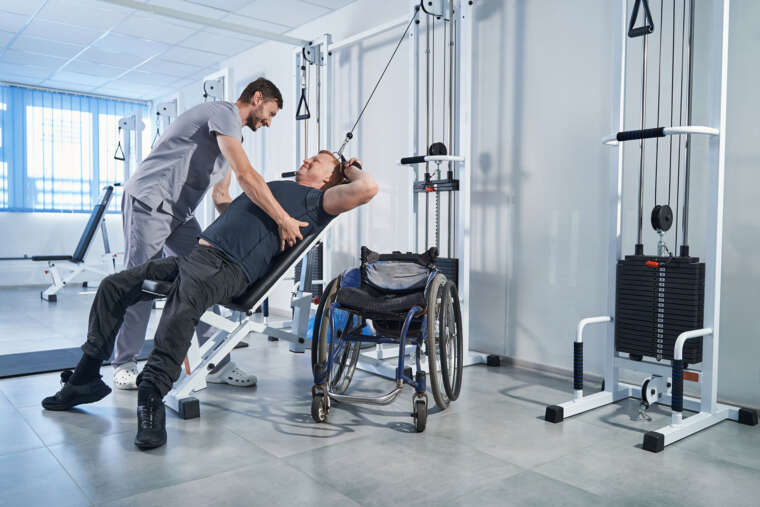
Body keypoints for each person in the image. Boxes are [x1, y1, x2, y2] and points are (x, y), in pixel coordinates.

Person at [42, 152, 378, 450]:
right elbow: (223, 200)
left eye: (315, 161)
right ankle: (85, 377)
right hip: (195, 258)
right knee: (115, 286)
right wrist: (227, 161)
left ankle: (152, 395)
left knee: (182, 303)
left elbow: (367, 189)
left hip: (228, 267)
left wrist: (352, 169)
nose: (305, 161)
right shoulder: (274, 191)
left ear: (329, 178)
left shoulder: (318, 201)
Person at [112, 77, 306, 390]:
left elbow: (221, 196)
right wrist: (282, 218)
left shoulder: (231, 137)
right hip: (150, 201)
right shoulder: (224, 113)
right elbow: (246, 176)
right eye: (271, 113)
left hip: (180, 213)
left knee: (203, 279)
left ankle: (216, 363)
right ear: (257, 98)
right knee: (141, 283)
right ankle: (124, 363)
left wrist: (250, 233)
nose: (269, 122)